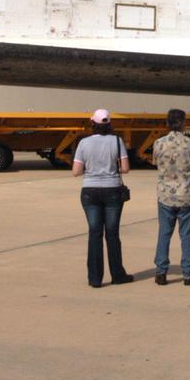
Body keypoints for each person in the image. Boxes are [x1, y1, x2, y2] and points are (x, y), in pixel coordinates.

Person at [72, 109, 133, 288]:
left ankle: (95, 278)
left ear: (93, 123)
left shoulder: (83, 143)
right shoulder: (117, 140)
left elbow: (76, 171)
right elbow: (126, 168)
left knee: (94, 233)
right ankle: (117, 274)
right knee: (112, 234)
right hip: (112, 190)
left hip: (90, 191)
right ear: (109, 124)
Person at [152, 108, 190, 286]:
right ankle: (188, 273)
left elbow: (155, 162)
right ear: (183, 123)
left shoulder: (158, 143)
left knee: (164, 233)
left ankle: (161, 272)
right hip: (186, 194)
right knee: (186, 235)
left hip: (165, 195)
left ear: (167, 123)